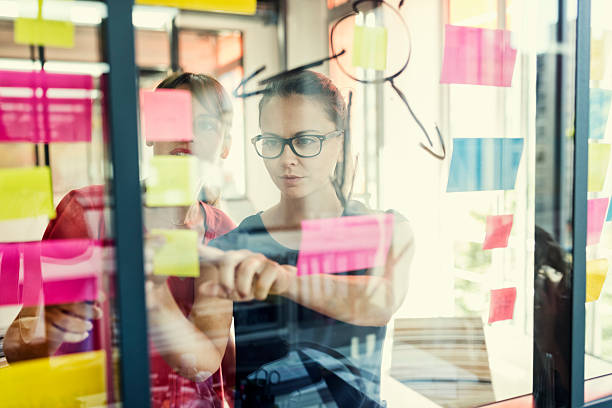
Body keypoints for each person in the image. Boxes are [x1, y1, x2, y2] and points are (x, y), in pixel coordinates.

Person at [3, 73, 274, 408]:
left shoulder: (223, 232)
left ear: (226, 144)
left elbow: (204, 363)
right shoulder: (88, 214)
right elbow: (17, 346)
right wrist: (52, 327)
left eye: (204, 124)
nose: (186, 134)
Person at [201, 70, 415, 407]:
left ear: (340, 143)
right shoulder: (235, 245)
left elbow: (380, 302)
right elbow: (202, 361)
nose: (287, 159)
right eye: (272, 142)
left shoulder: (386, 230)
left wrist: (282, 278)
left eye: (304, 140)